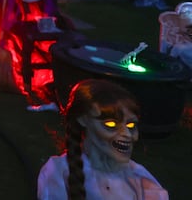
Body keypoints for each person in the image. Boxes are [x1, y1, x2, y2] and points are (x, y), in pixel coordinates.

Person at [37, 79, 169, 199]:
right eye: (111, 125)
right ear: (83, 119)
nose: (128, 135)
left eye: (131, 126)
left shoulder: (141, 179)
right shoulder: (58, 172)